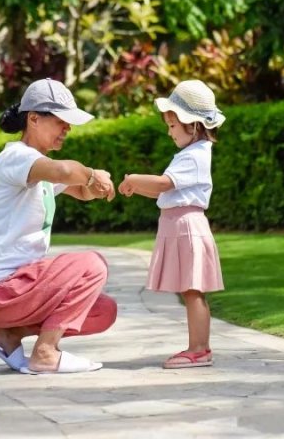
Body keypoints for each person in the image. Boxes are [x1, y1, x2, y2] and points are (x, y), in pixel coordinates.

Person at [0, 78, 118, 375]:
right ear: (34, 119)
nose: (68, 128)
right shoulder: (16, 158)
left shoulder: (38, 166)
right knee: (92, 264)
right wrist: (90, 174)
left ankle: (9, 333)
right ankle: (46, 354)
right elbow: (65, 171)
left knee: (103, 311)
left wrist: (96, 187)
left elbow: (79, 189)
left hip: (17, 289)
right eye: (61, 120)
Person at [117, 79, 225, 369]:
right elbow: (165, 189)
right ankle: (198, 348)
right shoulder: (191, 154)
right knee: (189, 290)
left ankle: (199, 349)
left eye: (173, 125)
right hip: (179, 226)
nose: (169, 131)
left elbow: (165, 183)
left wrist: (135, 179)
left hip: (186, 228)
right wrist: (137, 187)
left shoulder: (194, 156)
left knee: (192, 290)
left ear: (194, 125)